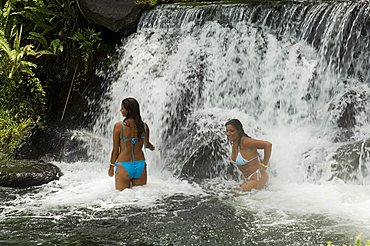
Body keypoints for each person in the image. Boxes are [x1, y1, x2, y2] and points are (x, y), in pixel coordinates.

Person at [108, 97, 155, 191]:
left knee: (122, 199)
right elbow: (146, 144)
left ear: (128, 110)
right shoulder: (144, 126)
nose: (120, 110)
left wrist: (111, 166)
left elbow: (115, 151)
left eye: (122, 108)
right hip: (140, 165)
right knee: (139, 198)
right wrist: (151, 147)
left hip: (124, 166)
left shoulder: (119, 126)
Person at [225, 119, 272, 192]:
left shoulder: (245, 142)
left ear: (238, 131)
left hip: (257, 176)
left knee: (235, 195)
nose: (228, 133)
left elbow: (268, 145)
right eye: (227, 131)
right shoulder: (234, 143)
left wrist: (264, 165)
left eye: (232, 131)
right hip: (247, 179)